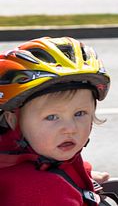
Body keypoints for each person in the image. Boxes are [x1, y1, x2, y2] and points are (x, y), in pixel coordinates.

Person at [0, 36, 111, 206]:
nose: (70, 128)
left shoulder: (33, 158)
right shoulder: (45, 191)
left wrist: (84, 174)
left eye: (80, 113)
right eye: (52, 117)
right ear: (13, 120)